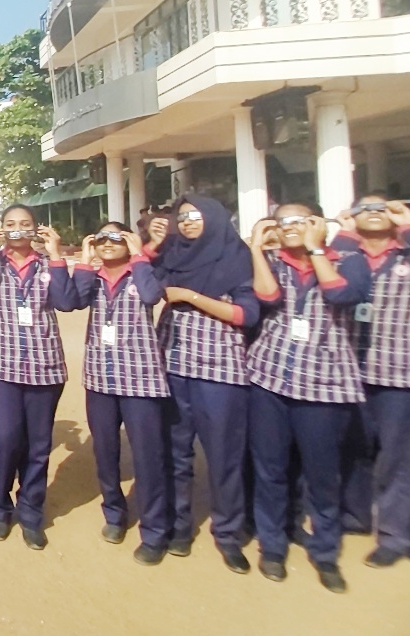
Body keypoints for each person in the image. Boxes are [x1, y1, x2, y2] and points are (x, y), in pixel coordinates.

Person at [246, 204, 371, 593]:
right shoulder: (271, 262)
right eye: (282, 223)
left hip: (324, 386)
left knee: (322, 475)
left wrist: (316, 249)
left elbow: (343, 295)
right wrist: (255, 248)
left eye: (300, 221)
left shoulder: (349, 260)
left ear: (317, 224)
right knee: (270, 469)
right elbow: (266, 298)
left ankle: (325, 552)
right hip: (269, 380)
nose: (290, 228)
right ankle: (272, 546)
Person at [330, 194, 410, 567]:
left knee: (397, 456)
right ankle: (355, 515)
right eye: (362, 209)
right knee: (354, 448)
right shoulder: (344, 254)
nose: (371, 213)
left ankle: (393, 534)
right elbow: (327, 274)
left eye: (380, 208)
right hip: (347, 366)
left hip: (400, 370)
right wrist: (344, 235)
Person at [147, 194, 259, 573]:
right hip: (173, 365)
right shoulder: (173, 254)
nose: (189, 222)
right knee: (175, 453)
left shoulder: (235, 256)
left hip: (221, 371)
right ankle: (178, 527)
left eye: (196, 216)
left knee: (225, 456)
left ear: (213, 218)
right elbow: (146, 279)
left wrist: (191, 297)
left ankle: (228, 534)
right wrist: (155, 244)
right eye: (183, 217)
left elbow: (247, 313)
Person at [66, 222, 172, 565]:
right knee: (105, 450)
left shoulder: (145, 271)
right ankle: (114, 512)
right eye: (102, 238)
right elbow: (73, 301)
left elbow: (151, 295)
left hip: (141, 378)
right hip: (100, 379)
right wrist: (85, 259)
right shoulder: (92, 278)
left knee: (147, 455)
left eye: (117, 238)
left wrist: (140, 254)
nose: (108, 243)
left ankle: (155, 530)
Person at [0, 204, 73, 549]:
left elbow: (67, 301)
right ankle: (0, 507)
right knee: (7, 439)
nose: (17, 229)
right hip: (2, 366)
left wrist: (56, 254)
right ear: (1, 229)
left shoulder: (48, 264)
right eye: (10, 224)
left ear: (36, 228)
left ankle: (31, 511)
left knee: (39, 445)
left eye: (24, 224)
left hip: (45, 365)